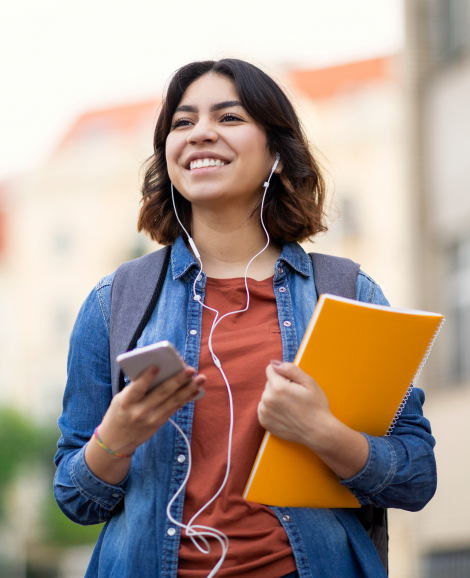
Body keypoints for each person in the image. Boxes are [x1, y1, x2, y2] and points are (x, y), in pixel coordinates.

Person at [54, 59, 437, 578]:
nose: (201, 133)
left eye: (229, 118)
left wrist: (323, 433)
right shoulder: (113, 301)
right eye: (182, 123)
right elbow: (75, 499)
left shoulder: (348, 294)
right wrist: (115, 438)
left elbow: (416, 477)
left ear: (277, 154)